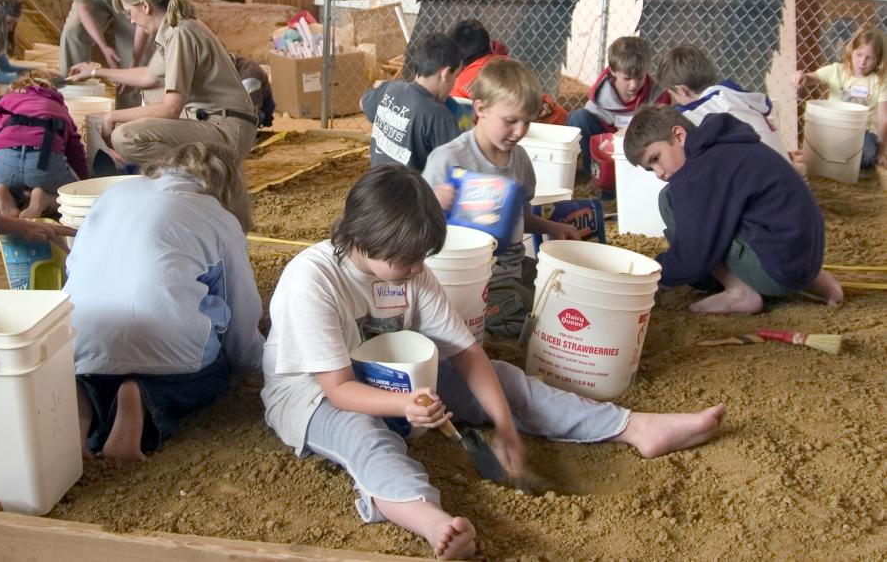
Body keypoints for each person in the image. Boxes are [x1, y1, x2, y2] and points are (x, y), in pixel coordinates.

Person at [261, 165, 726, 561]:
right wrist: (405, 406)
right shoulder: (313, 280)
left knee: (501, 378)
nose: (418, 269)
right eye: (407, 259)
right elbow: (340, 388)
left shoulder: (409, 271)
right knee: (366, 436)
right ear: (364, 238)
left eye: (422, 257)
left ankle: (632, 427)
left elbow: (466, 352)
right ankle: (428, 517)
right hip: (314, 393)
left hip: (398, 378)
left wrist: (504, 425)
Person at [65, 142, 264, 461]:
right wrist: (260, 365)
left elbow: (74, 267)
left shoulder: (113, 196)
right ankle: (141, 398)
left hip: (80, 342)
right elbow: (241, 315)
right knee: (214, 374)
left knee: (92, 370)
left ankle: (78, 415)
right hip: (168, 352)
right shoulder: (217, 217)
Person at [623, 105, 843, 315]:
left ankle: (740, 292)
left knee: (669, 199)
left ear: (679, 136)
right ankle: (820, 283)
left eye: (656, 158)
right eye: (650, 169)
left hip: (777, 272)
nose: (659, 173)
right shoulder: (726, 142)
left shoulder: (697, 174)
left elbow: (693, 256)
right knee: (726, 213)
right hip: (805, 259)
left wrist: (652, 275)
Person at [422, 58, 579, 337]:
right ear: (480, 108)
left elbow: (520, 218)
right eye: (510, 121)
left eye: (526, 123)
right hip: (473, 278)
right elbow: (413, 228)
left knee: (570, 293)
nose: (519, 131)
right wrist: (432, 204)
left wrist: (553, 228)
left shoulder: (519, 159)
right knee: (538, 322)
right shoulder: (448, 160)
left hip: (514, 268)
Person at [67, 0, 257, 166]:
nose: (131, 20)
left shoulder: (179, 33)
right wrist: (94, 71)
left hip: (229, 130)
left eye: (129, 13)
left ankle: (195, 174)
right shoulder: (175, 26)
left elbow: (172, 108)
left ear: (145, 6)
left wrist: (112, 116)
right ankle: (152, 166)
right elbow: (148, 76)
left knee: (125, 137)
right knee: (152, 92)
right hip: (215, 119)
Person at [657, 43, 789, 159]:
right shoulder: (730, 93)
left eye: (672, 94)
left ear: (681, 90)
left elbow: (671, 119)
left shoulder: (701, 108)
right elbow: (766, 105)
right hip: (785, 171)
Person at [0, 73, 88, 218]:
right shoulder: (57, 105)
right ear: (50, 90)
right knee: (75, 199)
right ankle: (43, 201)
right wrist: (83, 184)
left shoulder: (4, 102)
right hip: (44, 162)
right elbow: (75, 150)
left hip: (4, 161)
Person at [567, 35, 669, 176]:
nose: (633, 85)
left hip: (639, 147)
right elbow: (588, 119)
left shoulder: (657, 94)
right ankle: (592, 174)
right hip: (604, 143)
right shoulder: (602, 93)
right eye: (627, 78)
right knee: (578, 117)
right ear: (613, 71)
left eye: (640, 77)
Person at [361, 33, 461, 171]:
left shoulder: (389, 88)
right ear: (445, 73)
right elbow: (457, 167)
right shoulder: (439, 116)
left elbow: (362, 102)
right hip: (413, 192)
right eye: (456, 76)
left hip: (376, 187)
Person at [792, 25, 887, 169]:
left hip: (863, 134)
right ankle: (817, 155)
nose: (862, 62)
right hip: (835, 129)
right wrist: (801, 76)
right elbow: (811, 77)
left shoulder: (880, 81)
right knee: (820, 134)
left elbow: (884, 118)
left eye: (870, 58)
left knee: (867, 154)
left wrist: (881, 152)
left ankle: (812, 156)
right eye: (859, 55)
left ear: (878, 59)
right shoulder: (837, 71)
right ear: (851, 51)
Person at [449, 18, 567, 124]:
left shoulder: (458, 85)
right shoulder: (513, 66)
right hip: (561, 123)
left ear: (458, 57)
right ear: (490, 44)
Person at [0, 0, 35, 87]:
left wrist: (37, 70)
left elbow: (5, 67)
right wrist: (33, 78)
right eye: (8, 22)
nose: (11, 28)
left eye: (14, 23)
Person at [230, 53, 275, 128]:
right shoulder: (227, 62)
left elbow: (251, 113)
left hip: (258, 108)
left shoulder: (249, 77)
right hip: (238, 101)